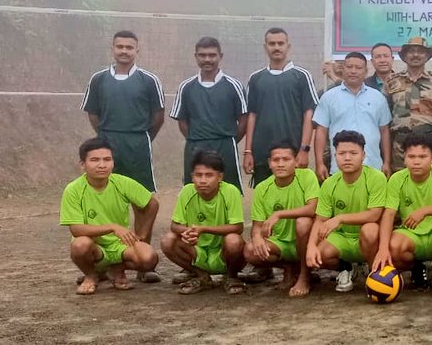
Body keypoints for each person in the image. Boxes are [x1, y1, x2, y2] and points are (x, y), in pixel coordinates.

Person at [81, 29, 165, 283]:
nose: (124, 51)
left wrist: (141, 137)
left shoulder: (149, 80)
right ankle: (105, 263)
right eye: (120, 47)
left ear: (137, 50)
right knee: (103, 202)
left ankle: (142, 262)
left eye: (129, 47)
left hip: (138, 143)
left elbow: (158, 117)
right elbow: (93, 113)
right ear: (112, 49)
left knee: (142, 203)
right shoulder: (98, 79)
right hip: (108, 141)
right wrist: (106, 138)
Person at [371, 133, 432, 299]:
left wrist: (425, 210)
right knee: (393, 246)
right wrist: (383, 249)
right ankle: (416, 268)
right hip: (412, 234)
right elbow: (389, 214)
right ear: (404, 158)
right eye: (411, 156)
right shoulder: (396, 179)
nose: (416, 161)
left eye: (422, 156)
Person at [61, 138, 160, 295]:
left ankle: (116, 270)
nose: (102, 165)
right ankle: (91, 275)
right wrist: (113, 227)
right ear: (82, 165)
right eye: (95, 160)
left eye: (107, 159)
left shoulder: (122, 183)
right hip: (93, 246)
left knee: (149, 258)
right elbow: (76, 229)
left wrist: (142, 235)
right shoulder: (73, 190)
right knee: (79, 245)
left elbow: (152, 204)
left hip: (120, 244)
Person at [305, 130, 388, 293]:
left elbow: (374, 214)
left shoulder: (376, 178)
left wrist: (340, 218)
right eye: (342, 153)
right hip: (342, 237)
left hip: (367, 238)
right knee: (318, 254)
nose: (347, 158)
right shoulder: (329, 183)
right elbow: (320, 219)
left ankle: (374, 274)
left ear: (363, 155)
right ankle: (346, 267)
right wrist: (311, 246)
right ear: (335, 155)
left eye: (353, 153)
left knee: (370, 229)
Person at [160, 150, 246, 295]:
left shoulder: (231, 192)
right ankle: (202, 277)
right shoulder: (187, 191)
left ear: (220, 177)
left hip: (223, 252)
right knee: (168, 240)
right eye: (198, 175)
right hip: (197, 249)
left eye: (209, 175)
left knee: (234, 240)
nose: (203, 180)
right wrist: (187, 232)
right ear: (192, 177)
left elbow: (238, 227)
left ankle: (231, 277)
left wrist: (204, 229)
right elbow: (174, 225)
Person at [243, 27, 319, 187]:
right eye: (272, 43)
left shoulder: (302, 76)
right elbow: (252, 115)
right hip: (262, 155)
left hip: (293, 155)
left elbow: (309, 114)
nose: (276, 47)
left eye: (280, 43)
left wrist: (304, 149)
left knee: (293, 203)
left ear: (288, 46)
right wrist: (248, 151)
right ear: (265, 47)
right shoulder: (256, 78)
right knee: (265, 201)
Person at [170, 36, 247, 192]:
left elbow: (244, 119)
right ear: (196, 57)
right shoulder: (186, 86)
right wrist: (196, 138)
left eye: (212, 55)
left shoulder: (234, 85)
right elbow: (182, 120)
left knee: (228, 190)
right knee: (194, 191)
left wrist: (230, 140)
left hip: (225, 146)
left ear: (220, 56)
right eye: (202, 55)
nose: (207, 59)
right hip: (195, 145)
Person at [244, 140, 320, 297]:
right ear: (269, 163)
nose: (280, 164)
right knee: (250, 251)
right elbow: (257, 225)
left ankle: (304, 276)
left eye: (286, 159)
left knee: (303, 222)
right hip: (280, 244)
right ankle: (289, 268)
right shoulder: (262, 188)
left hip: (307, 240)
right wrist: (257, 237)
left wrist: (279, 214)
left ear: (296, 161)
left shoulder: (307, 176)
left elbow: (312, 209)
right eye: (276, 160)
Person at [313, 51, 392, 180]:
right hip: (340, 168)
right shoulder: (329, 97)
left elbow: (384, 131)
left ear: (366, 71)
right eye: (349, 67)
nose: (353, 71)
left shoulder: (378, 97)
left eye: (358, 68)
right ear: (343, 70)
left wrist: (387, 162)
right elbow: (321, 131)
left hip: (373, 166)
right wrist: (319, 163)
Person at [386, 37, 432, 172]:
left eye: (420, 51)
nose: (415, 55)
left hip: (428, 144)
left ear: (427, 56)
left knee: (428, 185)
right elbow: (385, 117)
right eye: (411, 51)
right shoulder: (392, 81)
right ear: (404, 56)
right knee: (400, 185)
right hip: (399, 147)